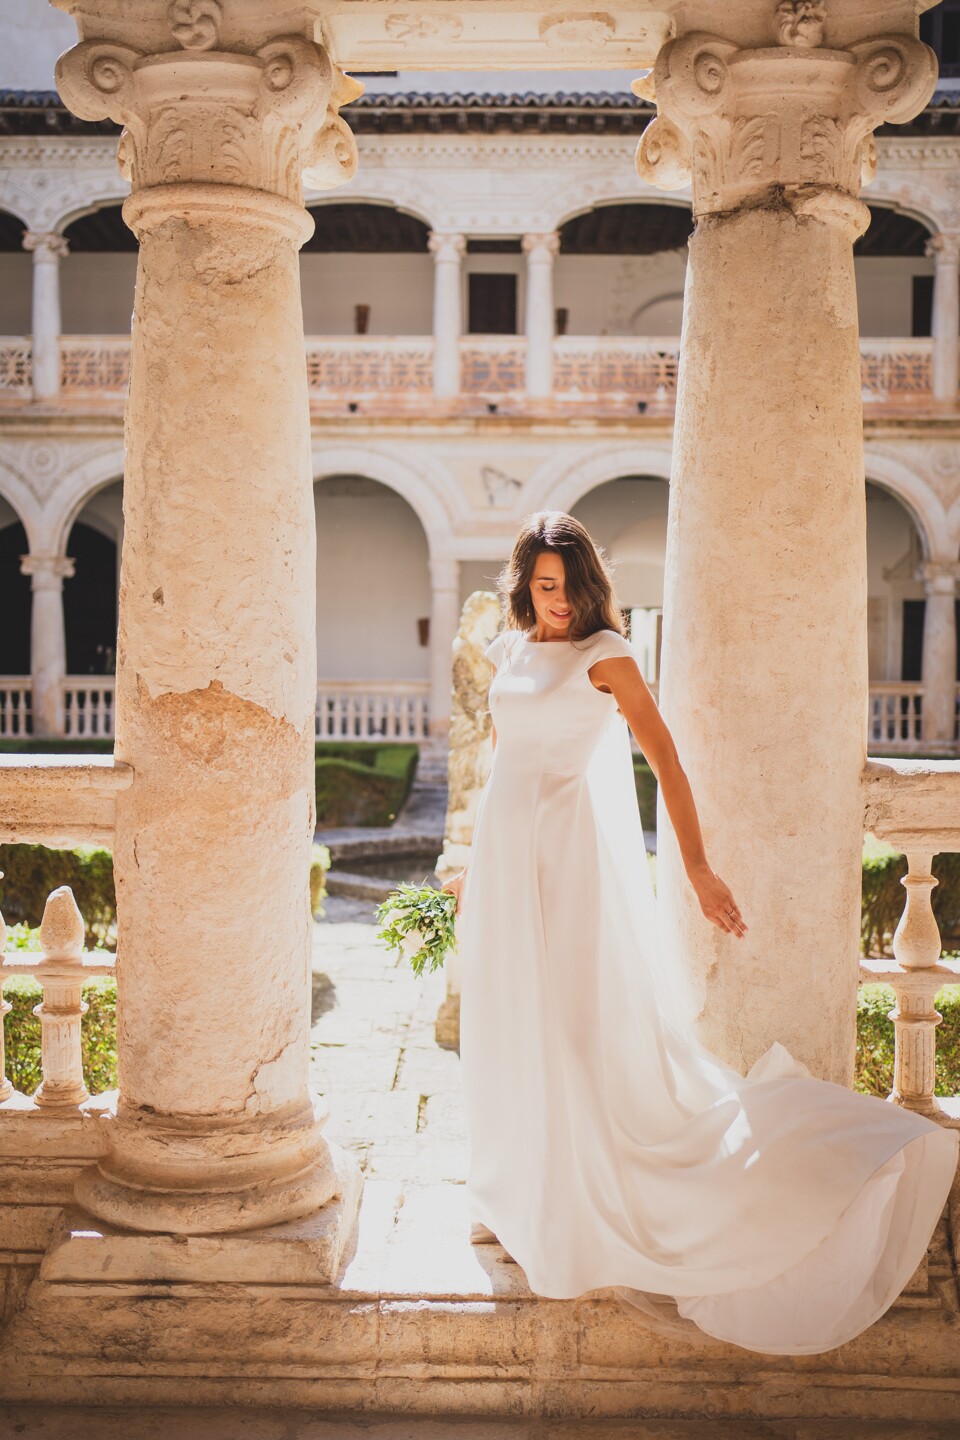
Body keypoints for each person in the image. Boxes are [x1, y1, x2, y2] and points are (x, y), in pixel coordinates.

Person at [441, 509, 958, 1356]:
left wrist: (697, 867)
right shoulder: (510, 648)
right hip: (505, 859)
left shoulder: (607, 658)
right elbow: (504, 761)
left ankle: (578, 1196)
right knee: (508, 1020)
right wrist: (471, 862)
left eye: (568, 586)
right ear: (522, 586)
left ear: (588, 585)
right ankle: (513, 1189)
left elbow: (665, 760)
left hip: (569, 862)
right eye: (542, 586)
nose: (558, 601)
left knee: (571, 1025)